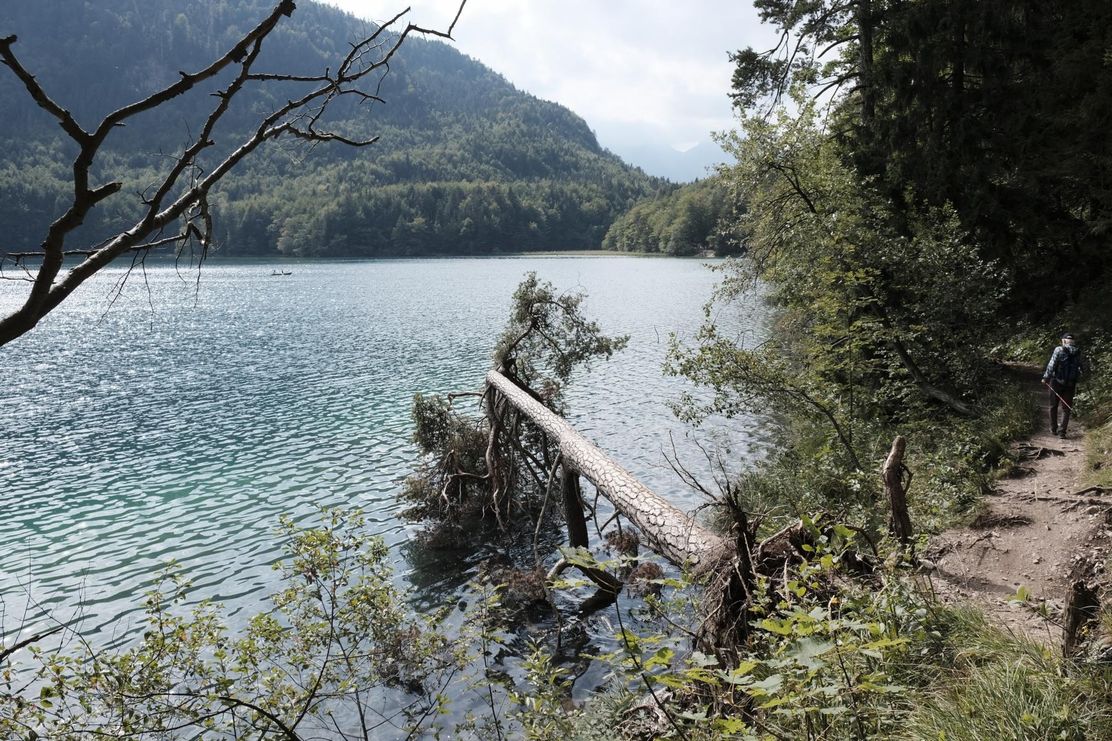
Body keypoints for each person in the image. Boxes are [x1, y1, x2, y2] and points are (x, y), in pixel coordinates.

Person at [1042, 333, 1084, 438]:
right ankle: (1062, 432)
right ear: (1073, 341)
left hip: (1056, 381)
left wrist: (1046, 377)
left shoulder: (1058, 350)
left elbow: (1052, 364)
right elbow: (1082, 368)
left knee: (1053, 406)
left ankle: (1053, 429)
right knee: (1066, 408)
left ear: (1064, 341)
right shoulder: (1078, 351)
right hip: (1070, 383)